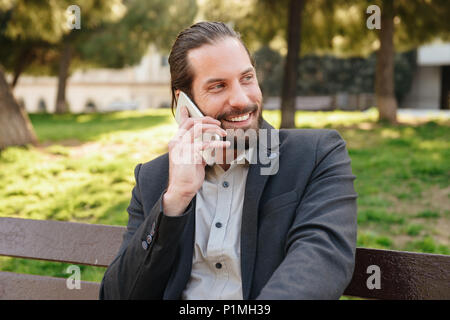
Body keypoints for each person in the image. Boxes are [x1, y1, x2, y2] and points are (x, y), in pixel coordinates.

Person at [99, 21, 357, 300]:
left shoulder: (316, 156)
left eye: (247, 78)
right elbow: (117, 295)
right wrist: (175, 200)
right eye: (218, 86)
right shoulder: (155, 179)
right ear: (184, 102)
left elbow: (320, 261)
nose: (241, 99)